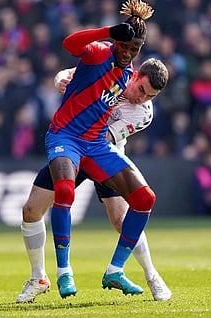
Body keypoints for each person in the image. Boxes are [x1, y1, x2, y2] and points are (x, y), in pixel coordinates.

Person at [45, 0, 168, 299]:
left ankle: (118, 270)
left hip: (99, 145)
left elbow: (91, 94)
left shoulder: (132, 90)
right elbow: (71, 46)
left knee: (143, 199)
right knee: (52, 198)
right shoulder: (101, 53)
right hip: (66, 138)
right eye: (124, 46)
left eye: (133, 50)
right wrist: (106, 32)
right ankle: (60, 273)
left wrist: (66, 77)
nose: (127, 53)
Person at [16, 68, 171, 303]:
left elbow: (103, 138)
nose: (142, 99)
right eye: (141, 90)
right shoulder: (114, 71)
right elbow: (68, 73)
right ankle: (38, 277)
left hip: (104, 157)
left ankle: (152, 276)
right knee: (31, 210)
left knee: (122, 220)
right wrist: (62, 80)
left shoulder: (143, 113)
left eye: (150, 96)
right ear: (136, 75)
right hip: (73, 150)